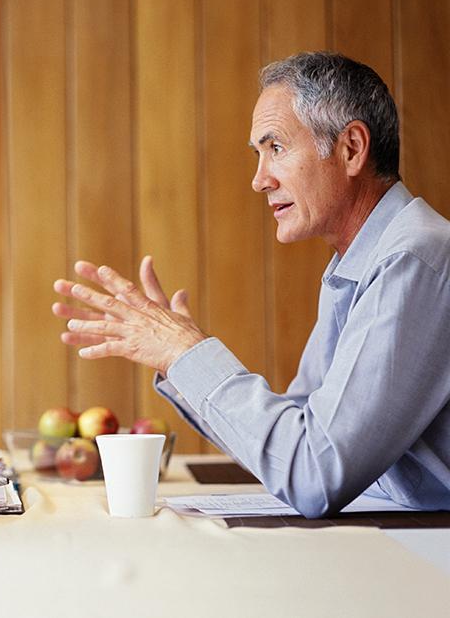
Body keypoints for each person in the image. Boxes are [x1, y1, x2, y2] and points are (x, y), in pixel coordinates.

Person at [53, 51, 450, 518]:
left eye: (275, 148)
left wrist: (186, 352)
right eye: (257, 155)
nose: (259, 180)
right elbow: (292, 447)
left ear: (351, 149)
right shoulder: (359, 261)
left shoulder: (413, 258)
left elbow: (312, 474)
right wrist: (178, 364)